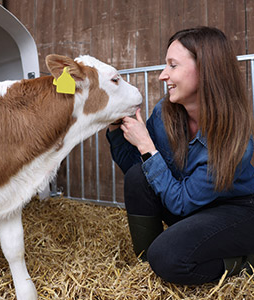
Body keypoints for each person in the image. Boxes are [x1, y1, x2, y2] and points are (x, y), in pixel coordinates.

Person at [106, 26, 254, 285]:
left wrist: (148, 148)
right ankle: (147, 264)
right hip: (193, 204)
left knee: (169, 256)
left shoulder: (234, 139)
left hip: (238, 211)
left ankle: (246, 261)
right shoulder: (166, 112)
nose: (163, 75)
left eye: (173, 65)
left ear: (206, 69)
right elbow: (137, 170)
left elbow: (181, 203)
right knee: (138, 177)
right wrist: (115, 128)